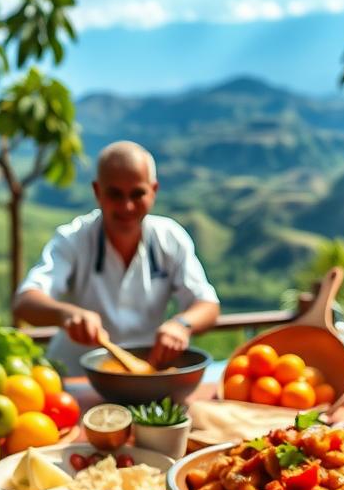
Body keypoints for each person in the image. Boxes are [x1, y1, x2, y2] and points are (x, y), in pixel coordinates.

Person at [13, 141, 220, 376]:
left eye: (137, 193)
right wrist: (67, 314)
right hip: (74, 380)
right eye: (115, 194)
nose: (127, 206)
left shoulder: (170, 238)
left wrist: (181, 325)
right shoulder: (72, 239)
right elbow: (25, 302)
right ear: (97, 192)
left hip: (144, 379)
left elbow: (207, 304)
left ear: (154, 191)